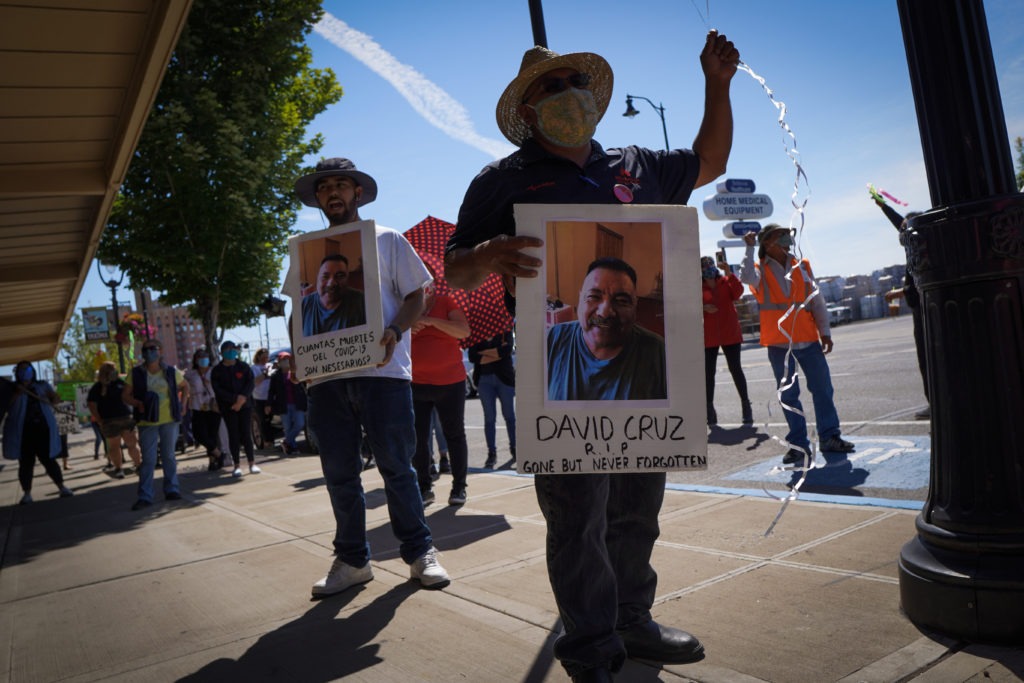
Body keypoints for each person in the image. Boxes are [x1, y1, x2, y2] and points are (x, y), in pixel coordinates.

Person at [445, 33, 739, 681]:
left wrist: (717, 82)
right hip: (559, 375)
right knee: (578, 518)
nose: (565, 92)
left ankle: (634, 620)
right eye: (549, 86)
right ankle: (591, 649)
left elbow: (709, 159)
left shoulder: (636, 164)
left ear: (593, 94)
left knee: (638, 505)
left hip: (645, 371)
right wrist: (488, 255)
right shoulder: (500, 180)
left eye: (572, 80)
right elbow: (456, 268)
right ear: (528, 111)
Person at [293, 157, 449, 596]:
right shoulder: (304, 251)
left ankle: (420, 554)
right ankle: (353, 560)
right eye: (325, 188)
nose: (334, 193)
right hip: (325, 382)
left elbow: (420, 293)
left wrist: (396, 331)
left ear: (358, 193)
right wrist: (299, 358)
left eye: (342, 185)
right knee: (340, 474)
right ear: (319, 198)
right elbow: (297, 312)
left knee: (398, 469)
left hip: (385, 375)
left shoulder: (387, 239)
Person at [740, 224, 856, 465]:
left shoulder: (801, 266)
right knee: (789, 397)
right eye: (780, 235)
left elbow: (817, 301)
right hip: (779, 344)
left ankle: (830, 437)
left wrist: (825, 331)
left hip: (808, 339)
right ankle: (798, 445)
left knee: (823, 389)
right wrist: (750, 250)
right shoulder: (759, 269)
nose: (787, 239)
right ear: (768, 242)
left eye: (788, 235)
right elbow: (746, 278)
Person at [547, 257, 666, 401]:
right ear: (580, 299)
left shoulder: (660, 354)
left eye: (621, 301)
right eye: (594, 296)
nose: (604, 312)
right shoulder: (553, 340)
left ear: (635, 306)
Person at [410, 267, 471, 506]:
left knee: (455, 434)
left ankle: (459, 487)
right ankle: (425, 487)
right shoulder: (405, 309)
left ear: (433, 284)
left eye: (426, 282)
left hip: (450, 382)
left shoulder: (446, 301)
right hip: (416, 382)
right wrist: (407, 326)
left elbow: (463, 330)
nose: (423, 287)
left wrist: (430, 321)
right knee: (418, 438)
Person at [872, 197, 929, 419]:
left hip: (924, 310)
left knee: (927, 359)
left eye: (905, 229)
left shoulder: (921, 248)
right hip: (923, 310)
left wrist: (899, 293)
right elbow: (901, 222)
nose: (901, 232)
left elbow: (919, 284)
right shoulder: (919, 240)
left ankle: (935, 402)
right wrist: (884, 206)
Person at [123, 340, 188, 511]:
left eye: (153, 349)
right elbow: (125, 395)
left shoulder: (171, 372)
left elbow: (185, 386)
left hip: (169, 419)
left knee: (169, 456)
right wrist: (137, 403)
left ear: (160, 351)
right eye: (146, 349)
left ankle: (172, 490)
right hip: (147, 421)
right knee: (149, 460)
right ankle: (145, 496)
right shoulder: (135, 373)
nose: (149, 352)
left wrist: (183, 404)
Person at [3, 361, 75, 504]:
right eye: (22, 370)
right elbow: (6, 406)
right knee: (25, 463)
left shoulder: (42, 386)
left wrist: (54, 396)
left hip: (43, 429)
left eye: (27, 370)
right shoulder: (12, 389)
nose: (25, 373)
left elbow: (54, 400)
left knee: (49, 460)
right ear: (17, 373)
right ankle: (27, 493)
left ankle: (61, 487)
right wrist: (17, 393)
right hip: (23, 432)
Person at [701, 254, 753, 425]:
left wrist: (729, 272)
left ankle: (746, 407)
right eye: (704, 266)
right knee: (708, 374)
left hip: (729, 332)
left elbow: (737, 293)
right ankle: (709, 410)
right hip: (708, 336)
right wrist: (703, 308)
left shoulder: (725, 281)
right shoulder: (697, 287)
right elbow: (690, 306)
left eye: (710, 265)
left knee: (735, 369)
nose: (708, 269)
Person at [210, 340, 259, 477]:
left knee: (246, 433)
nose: (231, 352)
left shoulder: (243, 366)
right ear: (222, 353)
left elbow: (250, 383)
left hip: (245, 405)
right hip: (228, 407)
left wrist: (242, 398)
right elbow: (218, 389)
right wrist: (234, 400)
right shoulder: (217, 371)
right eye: (228, 350)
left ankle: (252, 463)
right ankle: (237, 465)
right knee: (233, 435)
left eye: (233, 349)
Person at [468, 331, 516, 469]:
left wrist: (483, 353)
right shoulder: (476, 332)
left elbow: (506, 351)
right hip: (484, 379)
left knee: (509, 416)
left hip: (504, 379)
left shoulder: (505, 330)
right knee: (489, 418)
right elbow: (473, 357)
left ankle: (514, 448)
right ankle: (492, 453)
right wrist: (495, 353)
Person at [87, 361, 142, 479]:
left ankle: (134, 466)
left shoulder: (117, 383)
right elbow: (92, 405)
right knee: (120, 445)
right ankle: (124, 467)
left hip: (123, 418)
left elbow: (131, 395)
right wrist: (99, 420)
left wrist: (99, 420)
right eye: (113, 369)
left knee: (128, 444)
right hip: (112, 420)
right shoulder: (98, 387)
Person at [301, 254, 367, 336]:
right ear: (317, 278)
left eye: (340, 276)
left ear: (347, 279)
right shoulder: (303, 305)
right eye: (325, 276)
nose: (331, 283)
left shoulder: (363, 301)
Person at [183, 347, 224, 471]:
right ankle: (219, 454)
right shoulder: (190, 374)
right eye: (200, 357)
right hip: (197, 406)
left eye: (205, 356)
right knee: (199, 434)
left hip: (213, 405)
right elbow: (183, 385)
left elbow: (221, 386)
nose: (203, 359)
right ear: (195, 360)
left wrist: (209, 383)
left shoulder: (215, 371)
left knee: (212, 434)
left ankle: (212, 461)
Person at [265, 352, 307, 454]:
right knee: (287, 427)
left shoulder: (297, 372)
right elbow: (271, 391)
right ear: (279, 362)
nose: (286, 362)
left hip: (298, 403)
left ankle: (286, 441)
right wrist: (268, 404)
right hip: (284, 405)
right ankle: (292, 447)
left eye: (288, 359)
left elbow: (304, 385)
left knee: (300, 424)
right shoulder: (276, 376)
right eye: (283, 360)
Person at [251, 348, 274, 445]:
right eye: (263, 355)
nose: (266, 358)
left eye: (267, 355)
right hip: (259, 398)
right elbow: (254, 382)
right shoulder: (254, 368)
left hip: (271, 397)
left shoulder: (270, 366)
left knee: (272, 419)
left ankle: (271, 439)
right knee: (263, 420)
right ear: (258, 356)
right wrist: (265, 375)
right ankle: (267, 441)